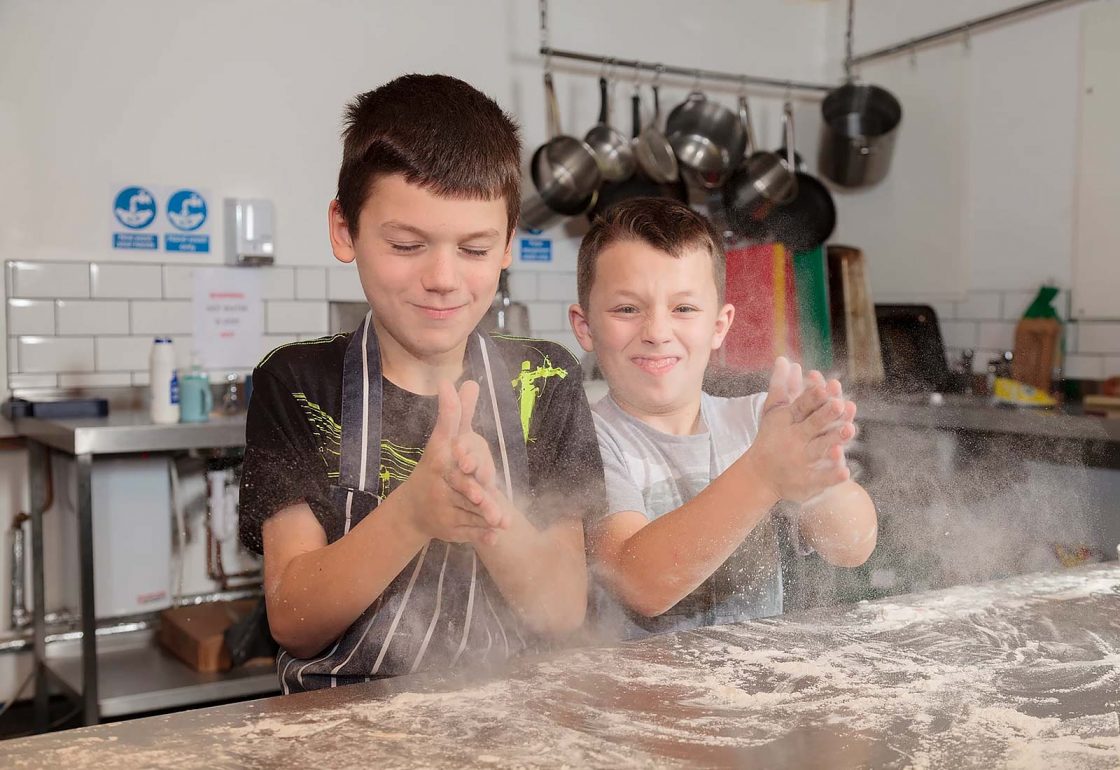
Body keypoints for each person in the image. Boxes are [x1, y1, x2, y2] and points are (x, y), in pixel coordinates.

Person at [239, 74, 605, 692]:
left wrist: (490, 516)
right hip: (342, 729)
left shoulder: (543, 380)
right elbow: (294, 621)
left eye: (474, 248)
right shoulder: (298, 385)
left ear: (510, 244)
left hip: (516, 723)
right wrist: (412, 513)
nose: (442, 277)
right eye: (407, 244)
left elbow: (563, 611)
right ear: (344, 230)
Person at [567, 197, 877, 639]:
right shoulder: (585, 439)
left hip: (753, 691)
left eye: (684, 309)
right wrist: (764, 473)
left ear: (719, 325)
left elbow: (852, 547)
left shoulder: (759, 422)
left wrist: (817, 476)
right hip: (633, 700)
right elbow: (639, 583)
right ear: (585, 327)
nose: (656, 332)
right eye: (627, 309)